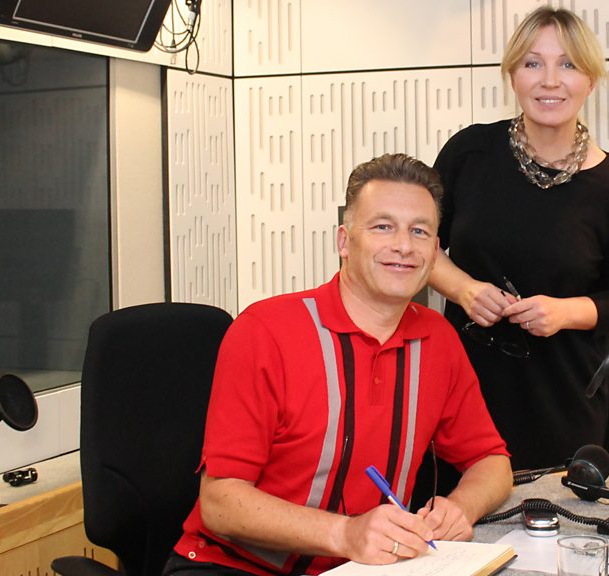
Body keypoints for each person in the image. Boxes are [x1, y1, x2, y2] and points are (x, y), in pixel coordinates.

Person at [164, 153, 513, 576]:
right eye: (383, 227)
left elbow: (492, 462)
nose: (404, 246)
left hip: (365, 567)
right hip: (232, 566)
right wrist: (346, 534)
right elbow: (220, 503)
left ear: (435, 252)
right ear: (344, 242)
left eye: (419, 231)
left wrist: (460, 508)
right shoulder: (264, 331)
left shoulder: (438, 339)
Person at [429, 6, 609, 472]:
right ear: (512, 76)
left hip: (562, 400)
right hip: (464, 390)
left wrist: (563, 312)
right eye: (533, 63)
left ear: (591, 81)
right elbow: (420, 246)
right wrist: (464, 290)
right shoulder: (469, 153)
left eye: (568, 64)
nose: (550, 81)